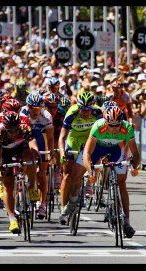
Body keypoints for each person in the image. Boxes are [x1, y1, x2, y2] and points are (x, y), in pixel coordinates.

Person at [66, 106, 140, 238]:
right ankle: (72, 202)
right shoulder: (97, 126)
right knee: (75, 175)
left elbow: (135, 153)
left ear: (121, 122)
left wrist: (135, 166)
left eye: (117, 125)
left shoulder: (127, 128)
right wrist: (90, 171)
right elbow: (87, 153)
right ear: (106, 122)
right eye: (111, 125)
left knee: (122, 183)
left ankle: (127, 222)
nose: (114, 129)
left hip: (116, 150)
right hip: (97, 149)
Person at [0, 111, 39, 233]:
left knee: (31, 158)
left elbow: (33, 145)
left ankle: (32, 187)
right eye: (10, 130)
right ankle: (12, 219)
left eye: (15, 130)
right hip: (5, 151)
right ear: (5, 127)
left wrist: (36, 156)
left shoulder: (24, 128)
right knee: (8, 184)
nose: (13, 133)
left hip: (21, 147)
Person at [58, 92, 103, 224]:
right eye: (83, 109)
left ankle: (80, 192)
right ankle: (63, 208)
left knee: (77, 174)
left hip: (90, 139)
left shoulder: (98, 113)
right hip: (74, 140)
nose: (86, 112)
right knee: (67, 175)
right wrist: (62, 154)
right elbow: (62, 138)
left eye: (88, 109)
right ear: (78, 107)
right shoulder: (72, 113)